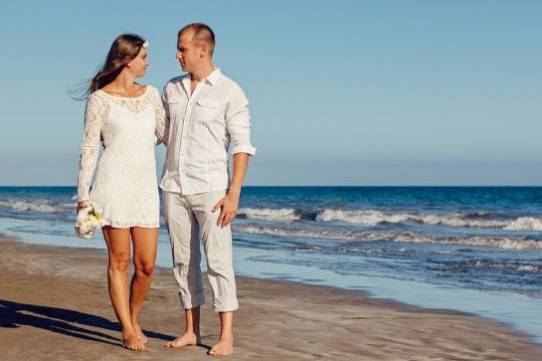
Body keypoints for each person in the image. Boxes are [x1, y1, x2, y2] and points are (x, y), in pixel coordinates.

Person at [161, 23, 255, 356]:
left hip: (212, 190)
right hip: (173, 186)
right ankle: (191, 329)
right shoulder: (171, 89)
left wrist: (234, 193)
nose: (176, 54)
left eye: (181, 48)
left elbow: (242, 146)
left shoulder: (231, 91)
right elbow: (161, 132)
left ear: (202, 49)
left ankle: (226, 335)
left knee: (218, 262)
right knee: (182, 262)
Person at [76, 34, 168, 351]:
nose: (148, 62)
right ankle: (128, 328)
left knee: (146, 266)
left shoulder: (152, 95)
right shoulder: (99, 99)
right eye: (143, 56)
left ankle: (132, 316)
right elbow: (89, 147)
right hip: (111, 185)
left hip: (144, 187)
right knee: (120, 260)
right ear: (127, 59)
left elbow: (165, 135)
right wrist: (83, 196)